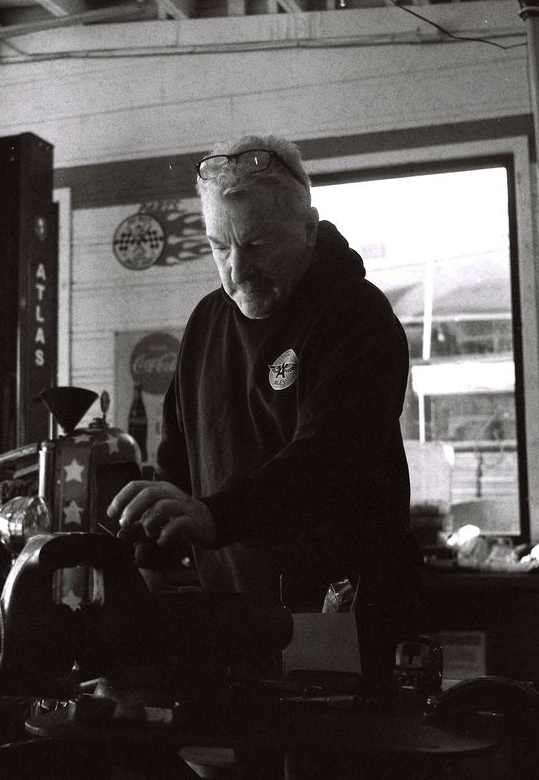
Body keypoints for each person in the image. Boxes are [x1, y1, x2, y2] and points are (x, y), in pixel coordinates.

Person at [108, 134, 422, 679]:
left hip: (339, 615)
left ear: (307, 229)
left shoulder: (355, 316)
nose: (236, 270)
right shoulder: (207, 322)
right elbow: (178, 463)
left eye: (257, 247)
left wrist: (216, 516)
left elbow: (326, 463)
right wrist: (148, 568)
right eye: (218, 248)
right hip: (234, 619)